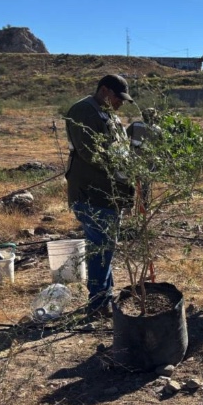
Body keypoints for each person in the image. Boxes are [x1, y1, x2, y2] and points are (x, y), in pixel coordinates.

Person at [64, 74, 135, 318]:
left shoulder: (108, 114)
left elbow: (119, 151)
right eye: (118, 97)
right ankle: (97, 305)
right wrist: (124, 168)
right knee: (100, 249)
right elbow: (91, 154)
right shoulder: (84, 111)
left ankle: (104, 298)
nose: (120, 103)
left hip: (107, 196)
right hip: (92, 194)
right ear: (104, 90)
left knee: (105, 248)